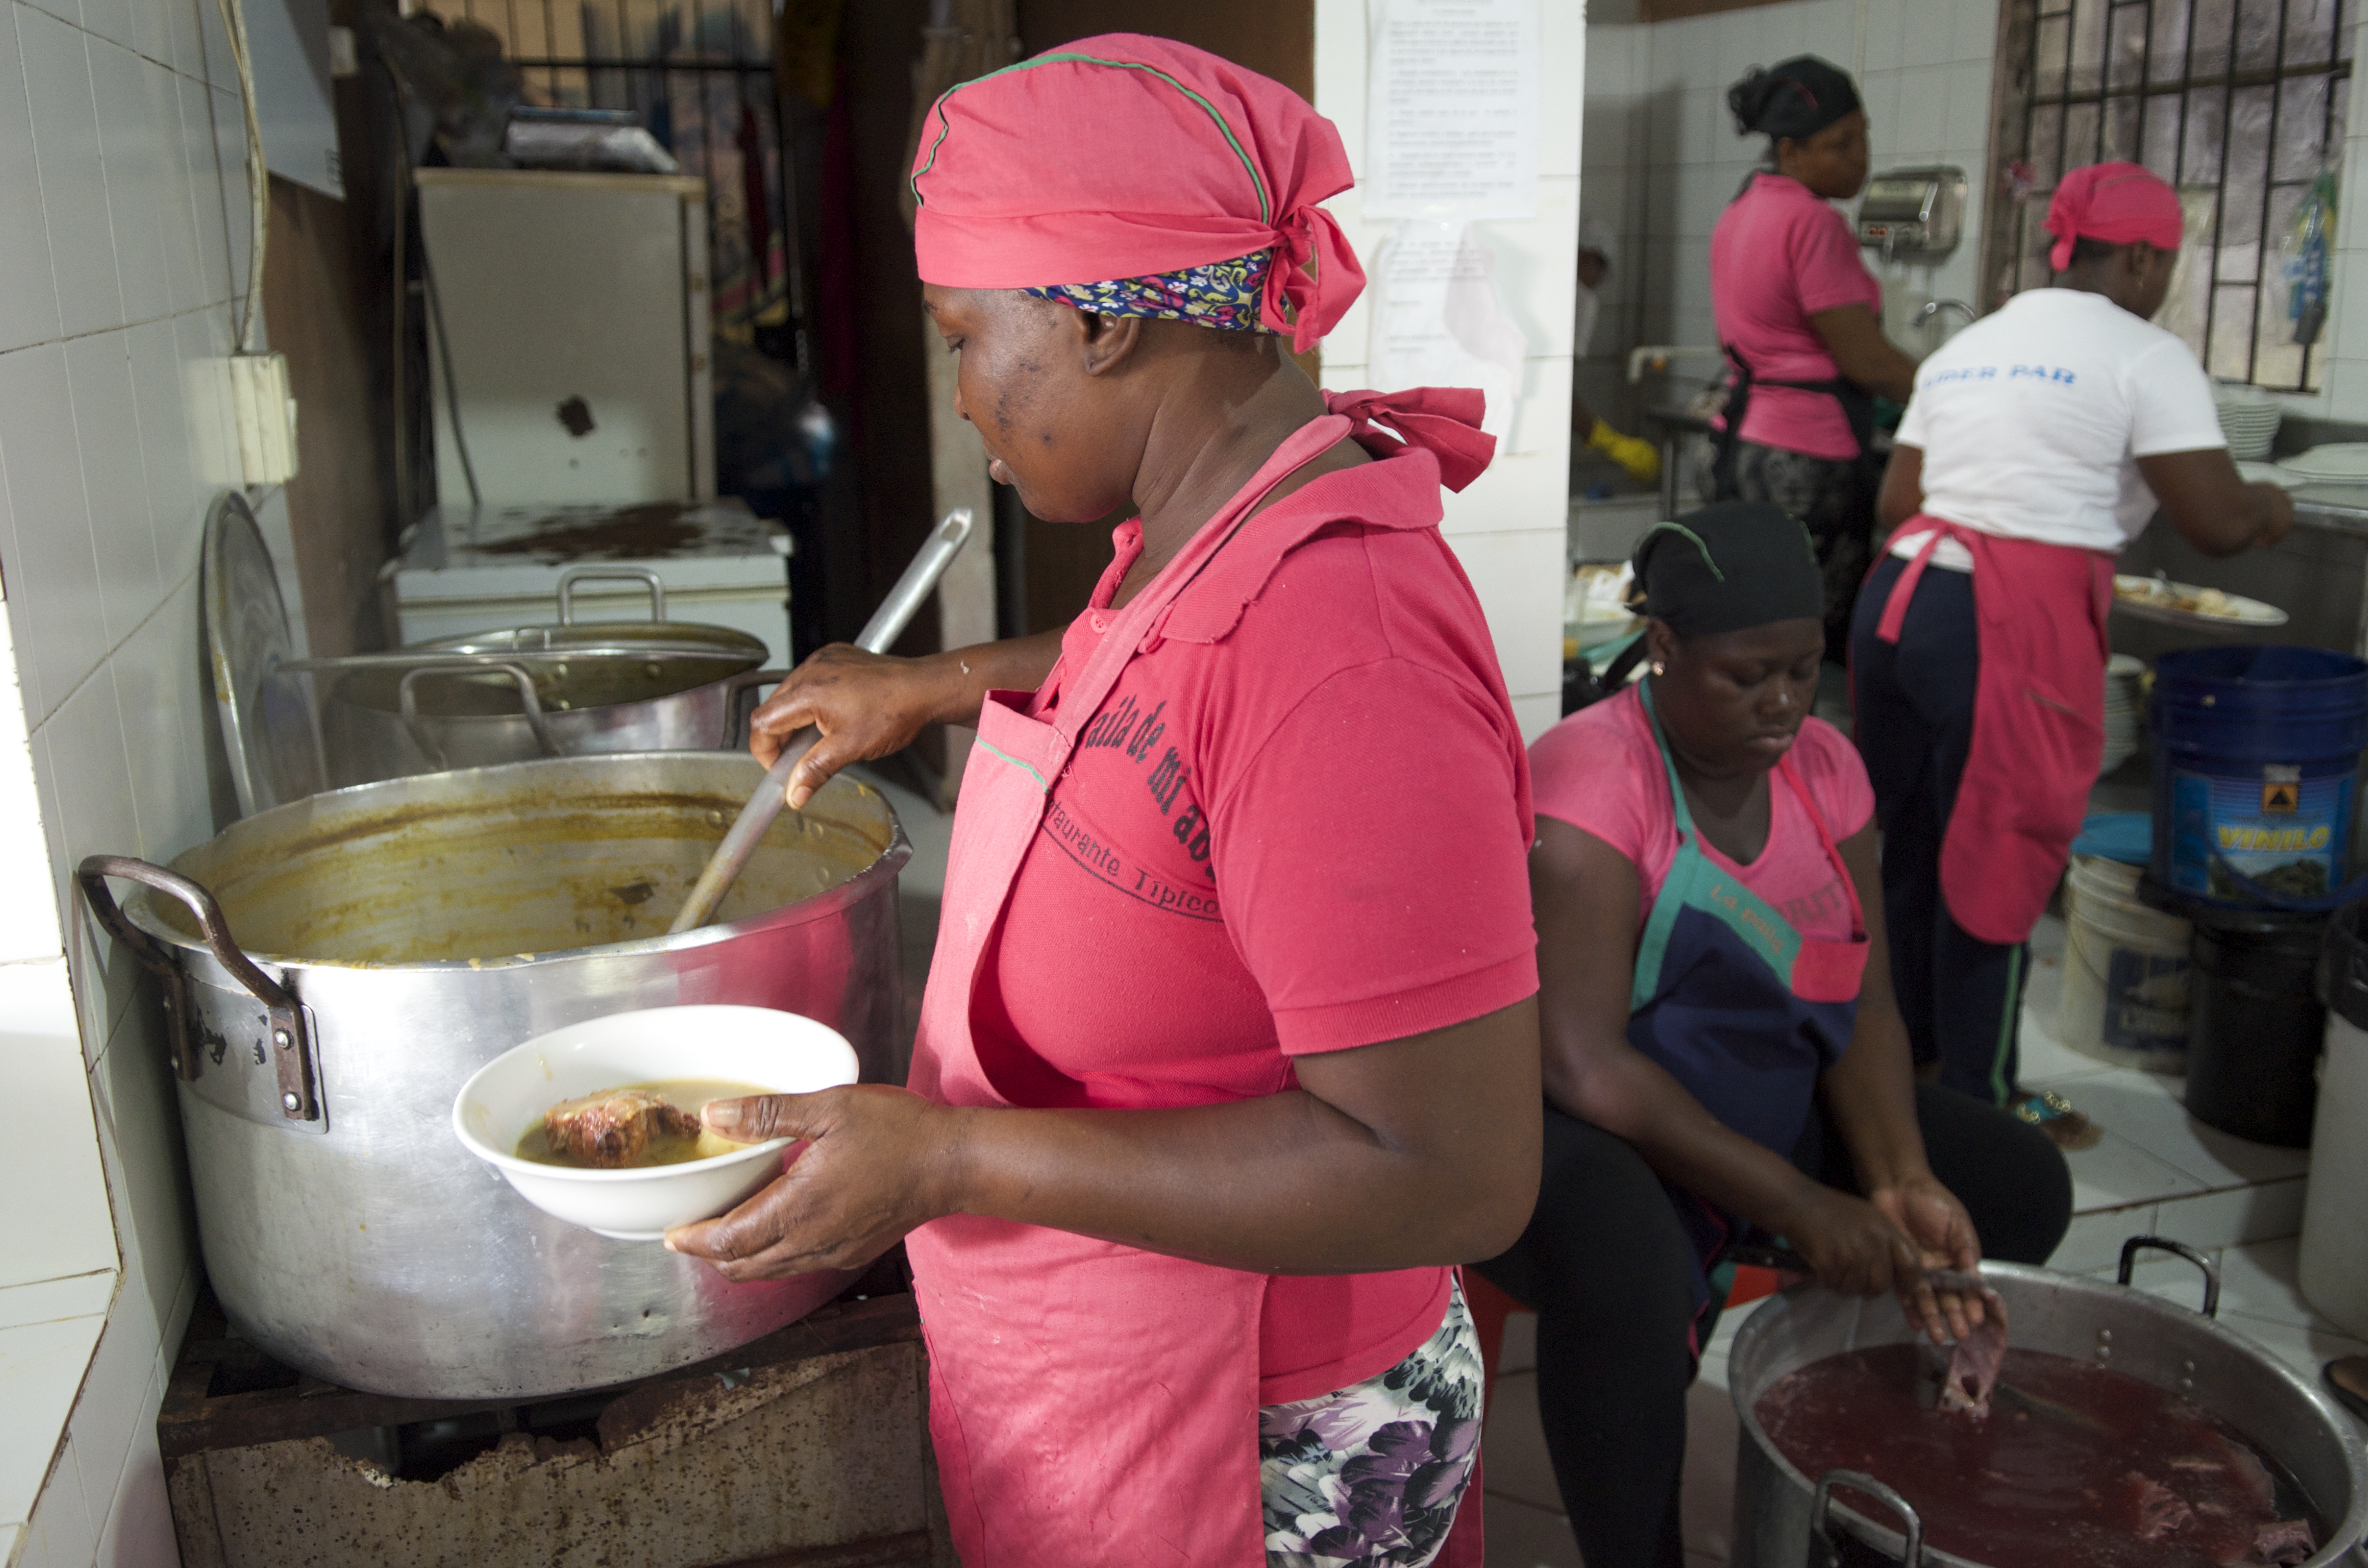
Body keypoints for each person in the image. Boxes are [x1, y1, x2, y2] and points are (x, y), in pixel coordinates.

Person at [663, 36, 1544, 1568]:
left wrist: (946, 1158)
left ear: (1097, 321)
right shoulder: (1207, 521)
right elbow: (1136, 675)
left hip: (1261, 1426)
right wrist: (926, 689)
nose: (961, 399)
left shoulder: (1348, 645)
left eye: (962, 339)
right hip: (1133, 1361)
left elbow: (1453, 1168)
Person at [1476, 502, 2072, 1568]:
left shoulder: (1827, 772)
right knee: (1631, 1275)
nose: (1783, 703)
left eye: (1801, 671)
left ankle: (1865, 1469)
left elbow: (1866, 1002)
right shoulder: (1594, 783)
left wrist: (1895, 1180)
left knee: (2018, 1185)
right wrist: (1799, 1203)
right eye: (1747, 674)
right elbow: (1582, 1064)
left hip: (1739, 1098)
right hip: (1570, 1125)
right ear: (1662, 649)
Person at [1853, 161, 2294, 1117]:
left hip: (1898, 604)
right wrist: (2270, 504)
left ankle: (1905, 1077)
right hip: (2002, 620)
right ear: (2140, 255)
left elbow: (1898, 505)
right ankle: (1981, 1109)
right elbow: (2214, 522)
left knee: (1914, 850)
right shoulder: (2146, 354)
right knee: (1998, 855)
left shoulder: (1972, 343)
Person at [1706, 56, 1920, 660]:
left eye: (1863, 138)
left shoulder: (1742, 210)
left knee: (1748, 623)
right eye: (1840, 144)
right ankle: (1805, 750)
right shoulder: (1814, 223)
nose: (1860, 158)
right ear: (1792, 151)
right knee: (1805, 640)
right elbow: (1867, 362)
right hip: (1805, 462)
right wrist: (1952, 387)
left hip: (1738, 442)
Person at [1573, 216, 1661, 486]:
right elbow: (1554, 386)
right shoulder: (1579, 298)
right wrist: (1605, 439)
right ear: (1590, 258)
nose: (1598, 280)